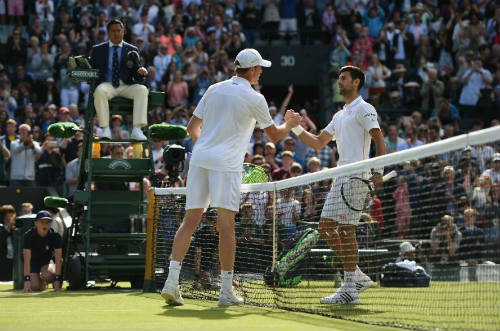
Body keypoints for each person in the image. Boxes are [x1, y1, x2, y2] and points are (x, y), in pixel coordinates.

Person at [161, 48, 301, 307]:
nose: (261, 72)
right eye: (259, 68)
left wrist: (208, 148)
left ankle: (171, 282)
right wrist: (290, 125)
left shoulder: (214, 88)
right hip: (225, 165)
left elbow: (192, 128)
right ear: (250, 70)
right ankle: (226, 291)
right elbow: (274, 136)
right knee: (226, 226)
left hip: (200, 159)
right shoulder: (255, 97)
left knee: (189, 221)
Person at [290, 65, 386, 304]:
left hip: (357, 178)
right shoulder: (339, 114)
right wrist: (294, 126)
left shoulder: (365, 108)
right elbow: (318, 143)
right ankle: (355, 277)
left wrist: (379, 171)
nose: (339, 82)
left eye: (343, 79)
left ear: (355, 82)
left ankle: (350, 287)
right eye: (338, 79)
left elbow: (379, 140)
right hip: (341, 177)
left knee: (346, 230)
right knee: (325, 227)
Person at [89, 19, 149, 140]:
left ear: (123, 32)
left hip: (126, 85)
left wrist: (141, 72)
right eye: (113, 31)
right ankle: (105, 129)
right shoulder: (98, 49)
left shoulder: (132, 49)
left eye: (118, 30)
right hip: (107, 85)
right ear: (108, 33)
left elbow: (137, 74)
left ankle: (137, 129)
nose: (116, 33)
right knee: (99, 91)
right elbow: (90, 70)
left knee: (142, 90)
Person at [23, 211, 63, 292]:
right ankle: (40, 281)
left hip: (47, 262)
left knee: (48, 275)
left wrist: (57, 280)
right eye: (42, 222)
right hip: (33, 262)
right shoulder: (28, 235)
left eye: (48, 222)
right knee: (34, 287)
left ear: (51, 223)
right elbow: (26, 259)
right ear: (36, 223)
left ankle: (46, 278)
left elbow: (59, 259)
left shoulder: (55, 236)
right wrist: (27, 280)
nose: (45, 224)